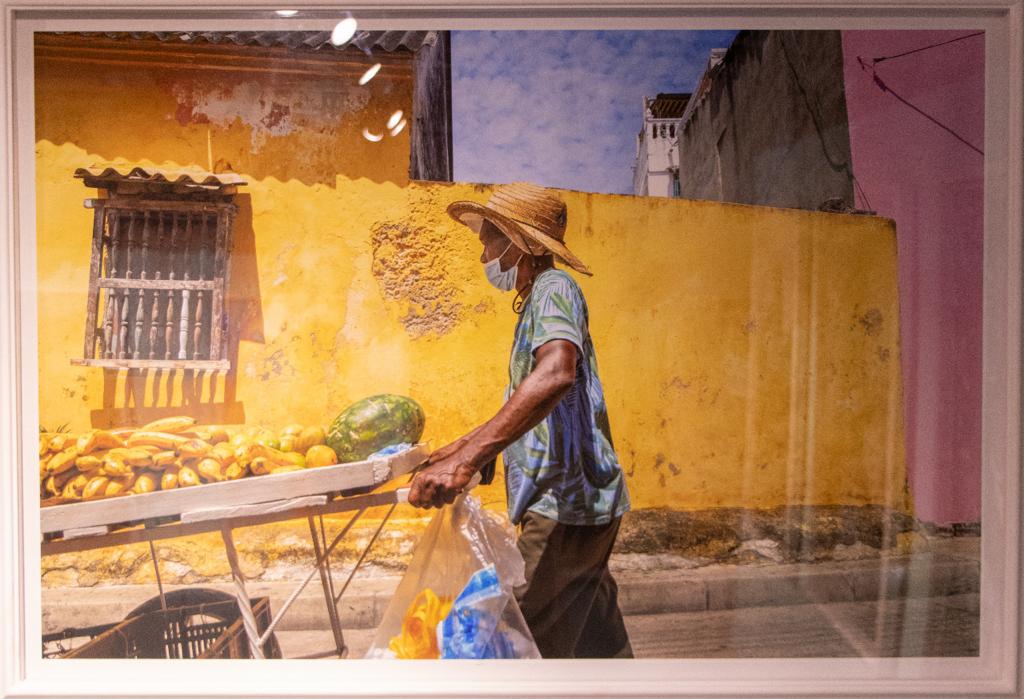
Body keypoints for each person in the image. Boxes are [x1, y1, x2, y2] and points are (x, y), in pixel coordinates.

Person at [406, 182, 633, 659]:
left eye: (490, 238)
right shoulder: (537, 300)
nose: (484, 250)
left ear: (520, 243)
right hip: (582, 503)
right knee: (600, 653)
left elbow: (555, 374)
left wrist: (472, 455)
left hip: (565, 505)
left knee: (520, 647)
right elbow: (531, 402)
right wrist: (463, 448)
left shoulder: (555, 288)